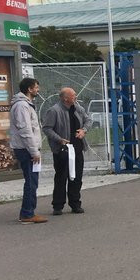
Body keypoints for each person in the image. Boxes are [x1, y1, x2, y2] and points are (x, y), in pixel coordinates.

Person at [41, 87, 91, 215]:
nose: (76, 97)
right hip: (62, 149)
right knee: (61, 177)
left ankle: (75, 203)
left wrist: (83, 130)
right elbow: (47, 128)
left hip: (77, 147)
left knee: (76, 177)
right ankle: (58, 205)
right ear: (65, 98)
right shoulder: (54, 111)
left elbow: (88, 120)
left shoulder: (78, 108)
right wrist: (59, 139)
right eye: (74, 95)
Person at [8, 77, 47, 223]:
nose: (38, 90)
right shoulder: (22, 106)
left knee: (33, 181)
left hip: (28, 148)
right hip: (26, 150)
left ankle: (28, 211)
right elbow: (25, 130)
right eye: (36, 87)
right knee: (31, 182)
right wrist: (34, 151)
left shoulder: (26, 104)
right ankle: (27, 214)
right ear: (29, 89)